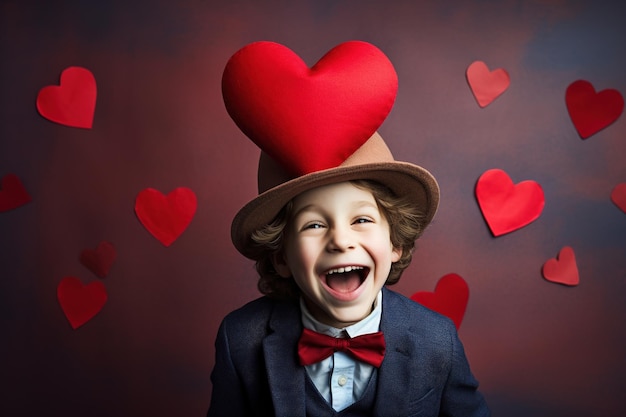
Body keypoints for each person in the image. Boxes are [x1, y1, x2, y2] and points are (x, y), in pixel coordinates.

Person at [207, 128, 490, 416]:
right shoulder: (241, 339)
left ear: (396, 243)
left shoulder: (438, 341)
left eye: (362, 219)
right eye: (314, 225)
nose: (341, 241)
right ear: (281, 257)